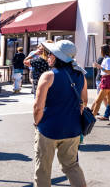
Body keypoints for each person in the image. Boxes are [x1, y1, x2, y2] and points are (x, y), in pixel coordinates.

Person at [33, 40, 87, 187]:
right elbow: (84, 101)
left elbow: (38, 107)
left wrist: (37, 123)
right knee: (72, 166)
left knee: (43, 170)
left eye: (50, 53)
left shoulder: (48, 76)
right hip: (73, 129)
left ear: (57, 56)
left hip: (48, 129)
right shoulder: (80, 75)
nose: (48, 56)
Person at [90, 44, 110, 125]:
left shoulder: (107, 59)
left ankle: (91, 120)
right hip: (108, 79)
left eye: (101, 50)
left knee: (98, 101)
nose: (100, 51)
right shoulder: (107, 59)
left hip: (107, 79)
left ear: (103, 50)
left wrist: (99, 67)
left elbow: (109, 71)